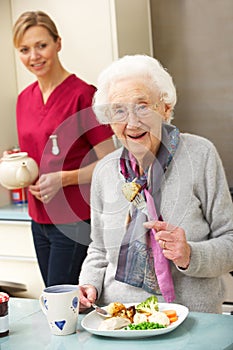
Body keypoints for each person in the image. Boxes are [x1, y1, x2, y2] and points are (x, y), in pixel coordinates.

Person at [78, 54, 233, 313]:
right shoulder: (105, 171)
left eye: (142, 106)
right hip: (120, 317)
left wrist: (189, 255)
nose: (132, 122)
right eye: (119, 110)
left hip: (191, 317)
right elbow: (99, 248)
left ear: (166, 108)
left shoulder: (200, 155)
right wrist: (88, 284)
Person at [12, 11, 115, 287]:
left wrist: (63, 178)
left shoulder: (83, 95)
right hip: (38, 219)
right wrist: (16, 165)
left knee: (65, 303)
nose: (34, 56)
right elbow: (36, 156)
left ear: (58, 43)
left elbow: (112, 161)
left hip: (73, 219)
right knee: (55, 301)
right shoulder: (23, 99)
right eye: (24, 49)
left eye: (41, 45)